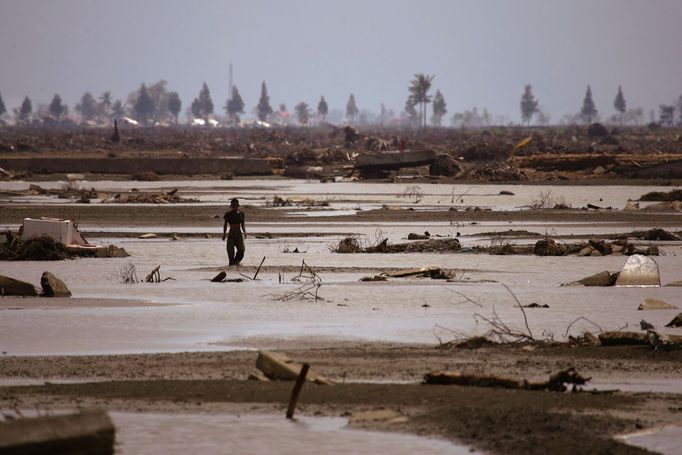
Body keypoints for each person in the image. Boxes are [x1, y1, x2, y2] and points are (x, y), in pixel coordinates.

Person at [222, 198, 247, 265]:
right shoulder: (228, 214)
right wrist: (224, 234)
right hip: (231, 234)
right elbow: (225, 225)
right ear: (231, 206)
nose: (234, 208)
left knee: (242, 250)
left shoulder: (241, 214)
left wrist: (245, 232)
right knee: (230, 251)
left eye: (236, 206)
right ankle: (231, 263)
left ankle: (236, 262)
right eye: (233, 206)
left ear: (238, 206)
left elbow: (243, 224)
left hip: (239, 234)